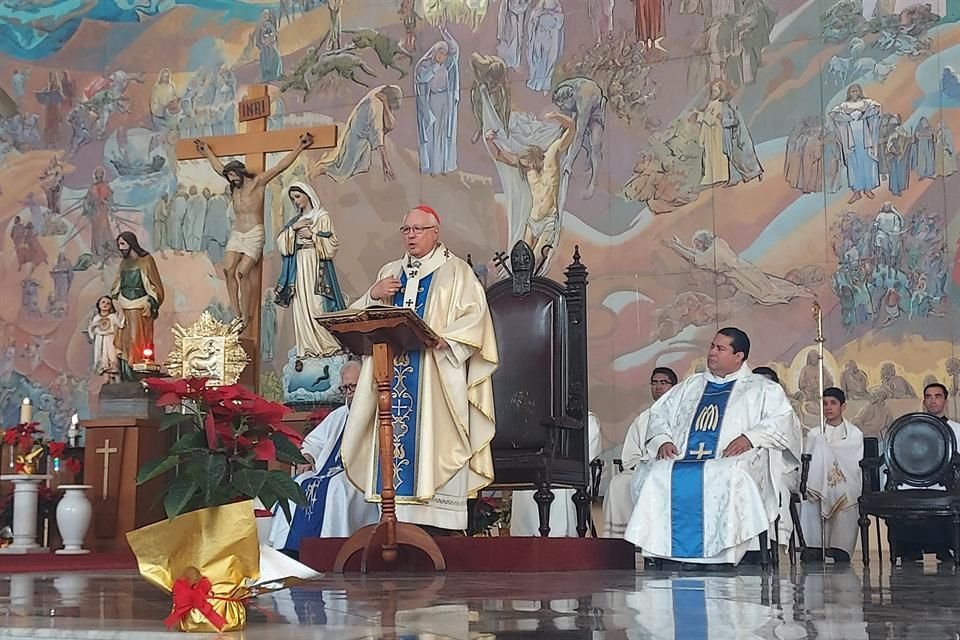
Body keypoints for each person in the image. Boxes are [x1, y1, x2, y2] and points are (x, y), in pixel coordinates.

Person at [341, 205, 499, 531]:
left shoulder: (456, 272)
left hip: (436, 375)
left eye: (418, 229)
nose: (411, 235)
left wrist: (447, 339)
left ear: (435, 232)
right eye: (406, 230)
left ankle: (439, 525)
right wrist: (374, 293)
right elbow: (358, 319)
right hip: (389, 376)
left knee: (436, 443)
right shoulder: (389, 271)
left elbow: (476, 319)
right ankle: (392, 518)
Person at [624, 328, 801, 565]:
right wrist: (662, 440)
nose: (712, 353)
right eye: (712, 346)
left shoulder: (762, 389)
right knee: (657, 472)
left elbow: (782, 421)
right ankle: (664, 551)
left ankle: (731, 551)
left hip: (735, 459)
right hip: (684, 457)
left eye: (721, 348)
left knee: (732, 475)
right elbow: (658, 415)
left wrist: (750, 437)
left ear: (739, 356)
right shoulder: (689, 386)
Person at [194, 132, 313, 327]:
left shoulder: (257, 183)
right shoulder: (234, 186)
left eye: (233, 176)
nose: (232, 180)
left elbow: (279, 167)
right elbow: (218, 168)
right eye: (229, 177)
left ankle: (247, 314)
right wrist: (207, 152)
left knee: (242, 272)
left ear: (241, 173)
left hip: (254, 233)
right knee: (227, 270)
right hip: (237, 233)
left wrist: (299, 147)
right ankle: (237, 313)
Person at [268, 361, 378, 555]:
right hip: (328, 471)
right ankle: (288, 549)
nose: (349, 392)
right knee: (301, 482)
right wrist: (307, 456)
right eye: (344, 388)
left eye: (353, 386)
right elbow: (315, 442)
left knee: (336, 487)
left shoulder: (379, 412)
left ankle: (332, 550)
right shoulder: (339, 415)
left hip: (361, 475)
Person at [274, 182, 346, 364]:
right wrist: (294, 228)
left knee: (317, 304)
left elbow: (332, 243)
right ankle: (307, 348)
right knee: (301, 306)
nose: (296, 201)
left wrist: (312, 235)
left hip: (316, 264)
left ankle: (327, 346)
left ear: (307, 194)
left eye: (298, 196)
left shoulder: (322, 216)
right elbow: (282, 243)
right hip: (299, 265)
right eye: (293, 199)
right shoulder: (295, 221)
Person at [887, 382, 960, 562]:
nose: (933, 401)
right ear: (924, 401)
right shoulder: (913, 425)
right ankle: (909, 549)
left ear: (945, 400)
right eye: (928, 397)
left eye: (937, 396)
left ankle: (944, 547)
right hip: (913, 481)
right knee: (904, 498)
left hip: (945, 483)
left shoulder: (957, 429)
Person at [602, 367, 677, 539]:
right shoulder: (643, 418)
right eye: (654, 383)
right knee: (619, 483)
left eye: (663, 382)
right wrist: (644, 465)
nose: (658, 387)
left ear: (674, 386)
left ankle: (656, 538)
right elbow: (631, 455)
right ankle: (620, 539)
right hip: (644, 468)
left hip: (670, 469)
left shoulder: (682, 415)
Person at [510, 412, 602, 537]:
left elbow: (584, 460)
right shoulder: (526, 418)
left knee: (559, 485)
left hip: (566, 479)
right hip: (531, 476)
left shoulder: (588, 420)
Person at [800, 387, 864, 563]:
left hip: (846, 478)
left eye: (833, 403)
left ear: (843, 406)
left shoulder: (854, 434)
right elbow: (810, 461)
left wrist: (825, 449)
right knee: (813, 493)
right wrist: (821, 447)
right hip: (817, 480)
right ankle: (814, 547)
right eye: (825, 403)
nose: (828, 407)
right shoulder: (815, 433)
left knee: (845, 493)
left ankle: (840, 548)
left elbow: (853, 461)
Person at [110, 232, 164, 379]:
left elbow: (155, 285)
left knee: (137, 340)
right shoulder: (124, 264)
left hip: (139, 306)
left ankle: (138, 373)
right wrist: (115, 299)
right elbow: (116, 285)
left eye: (123, 244)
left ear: (131, 243)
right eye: (119, 245)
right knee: (123, 342)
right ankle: (126, 375)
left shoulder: (146, 260)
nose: (121, 248)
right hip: (123, 307)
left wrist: (151, 302)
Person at [88, 295, 123, 383]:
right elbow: (91, 329)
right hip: (100, 340)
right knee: (102, 360)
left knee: (112, 359)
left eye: (108, 303)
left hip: (110, 339)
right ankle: (106, 380)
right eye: (103, 302)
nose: (105, 305)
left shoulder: (112, 317)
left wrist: (121, 313)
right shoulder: (96, 318)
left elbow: (120, 326)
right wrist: (94, 326)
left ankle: (117, 381)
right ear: (98, 305)